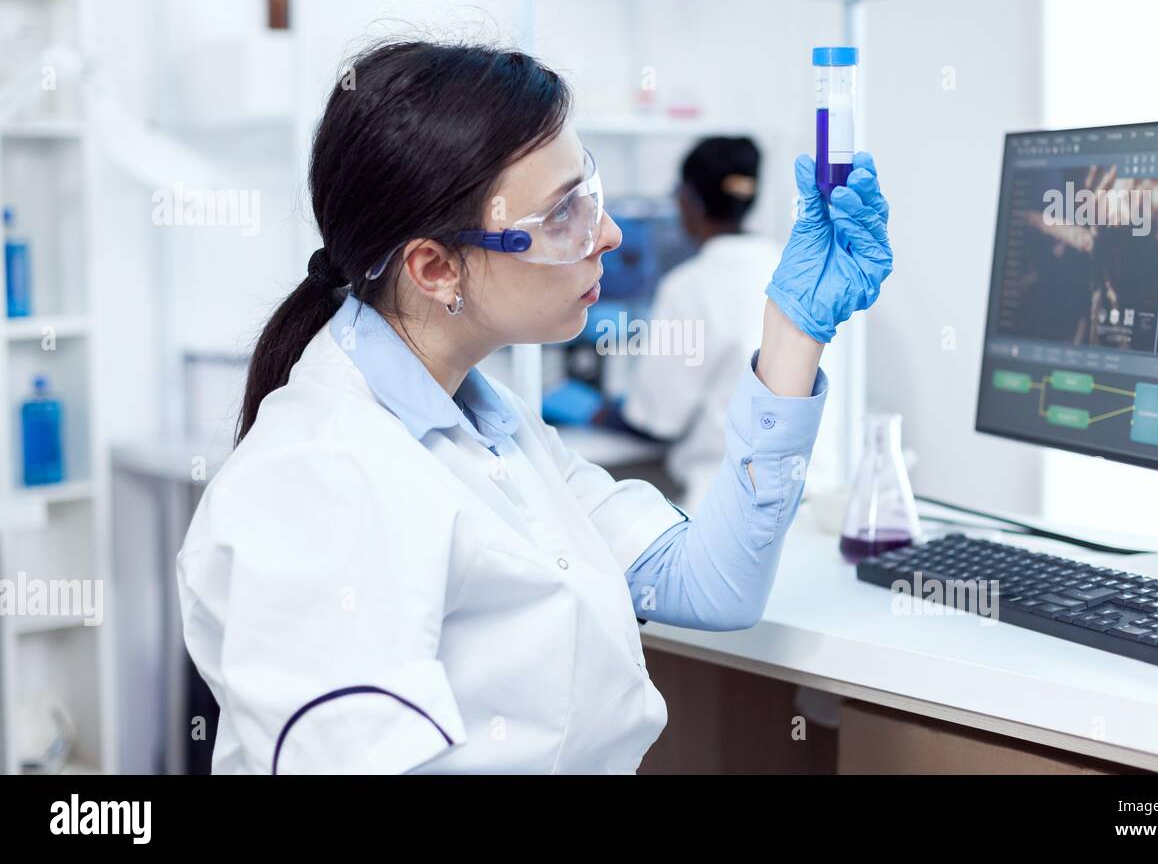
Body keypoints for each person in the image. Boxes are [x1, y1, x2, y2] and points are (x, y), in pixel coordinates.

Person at [175, 39, 892, 774]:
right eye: (562, 216)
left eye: (592, 195)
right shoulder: (322, 476)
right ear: (433, 267)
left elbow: (712, 585)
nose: (606, 235)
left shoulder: (493, 425)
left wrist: (794, 331)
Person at [618, 136, 784, 514]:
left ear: (688, 199)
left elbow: (657, 419)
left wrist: (593, 409)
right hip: (813, 495)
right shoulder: (791, 271)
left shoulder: (689, 285)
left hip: (728, 502)